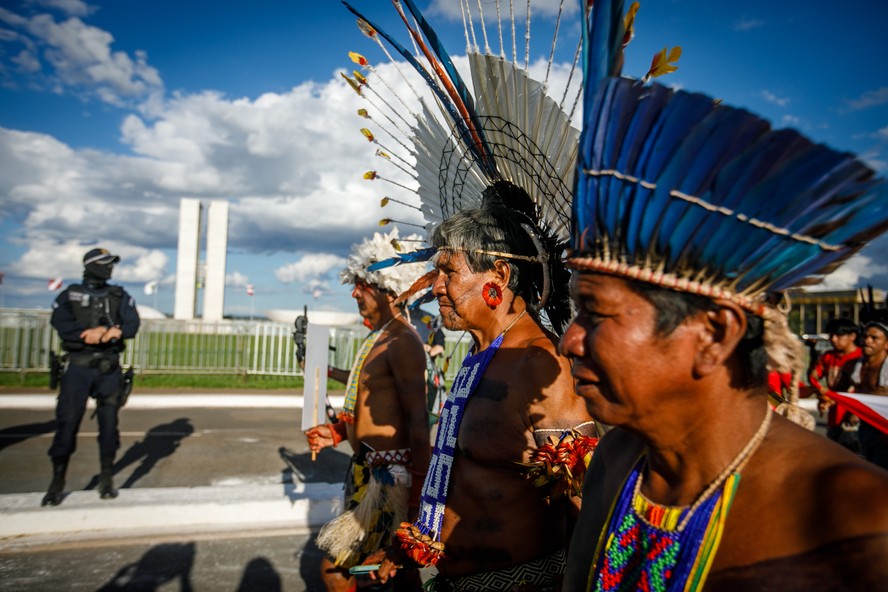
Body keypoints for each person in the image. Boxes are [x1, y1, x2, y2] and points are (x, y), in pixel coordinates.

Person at [561, 2, 888, 588]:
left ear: (714, 333)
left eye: (596, 313)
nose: (569, 339)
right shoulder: (615, 463)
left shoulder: (856, 517)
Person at [369, 188, 597, 591]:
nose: (435, 287)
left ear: (500, 275)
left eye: (449, 272)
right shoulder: (483, 353)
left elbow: (587, 507)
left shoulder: (542, 366)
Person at [304, 229, 431, 592]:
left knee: (339, 571)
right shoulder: (379, 337)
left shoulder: (403, 341)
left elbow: (418, 422)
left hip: (388, 479)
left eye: (362, 284)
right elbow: (370, 401)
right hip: (367, 473)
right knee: (398, 572)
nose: (354, 292)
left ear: (389, 290)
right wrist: (337, 433)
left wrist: (417, 494)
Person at [42, 248, 140, 506]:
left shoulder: (119, 295)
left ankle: (107, 478)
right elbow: (59, 321)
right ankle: (57, 482)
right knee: (67, 424)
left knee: (109, 427)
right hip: (78, 368)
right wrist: (86, 334)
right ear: (90, 265)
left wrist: (111, 332)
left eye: (111, 264)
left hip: (108, 370)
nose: (109, 268)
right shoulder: (71, 295)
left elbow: (132, 325)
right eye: (104, 264)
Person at [833, 320, 888, 469]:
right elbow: (837, 392)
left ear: (886, 344)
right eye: (865, 336)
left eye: (874, 338)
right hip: (863, 429)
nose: (867, 341)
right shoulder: (852, 366)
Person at [811, 318, 863, 450]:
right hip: (834, 418)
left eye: (838, 335)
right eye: (831, 335)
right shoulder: (828, 356)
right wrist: (822, 393)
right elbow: (813, 377)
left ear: (852, 336)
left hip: (855, 418)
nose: (833, 339)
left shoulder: (861, 357)